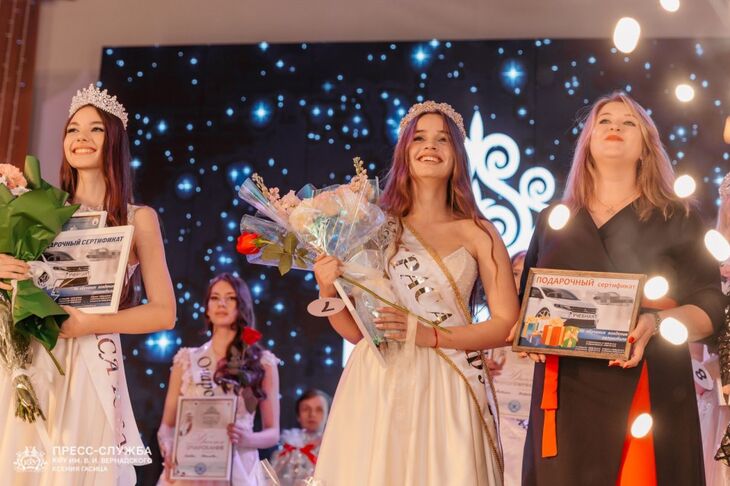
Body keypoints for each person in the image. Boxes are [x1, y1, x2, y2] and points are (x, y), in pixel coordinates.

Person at [518, 92, 726, 485]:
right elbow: (525, 303)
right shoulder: (553, 220)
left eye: (629, 122)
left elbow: (711, 306)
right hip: (566, 393)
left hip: (649, 378)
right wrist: (526, 333)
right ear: (587, 143)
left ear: (646, 146)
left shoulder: (677, 217)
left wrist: (656, 322)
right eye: (604, 120)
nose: (615, 126)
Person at [313, 101, 520, 485]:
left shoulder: (479, 232)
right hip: (381, 380)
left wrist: (432, 335)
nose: (430, 147)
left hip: (449, 378)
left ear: (457, 155)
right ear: (404, 151)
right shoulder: (374, 227)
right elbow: (357, 333)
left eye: (443, 140)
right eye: (420, 138)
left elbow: (508, 323)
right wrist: (327, 287)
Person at [0, 84, 176, 486]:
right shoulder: (36, 208)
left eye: (95, 129)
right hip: (33, 356)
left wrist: (89, 324)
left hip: (93, 359)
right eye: (72, 129)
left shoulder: (138, 218)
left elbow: (164, 313)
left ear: (113, 139)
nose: (81, 138)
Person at [157, 273, 280, 485]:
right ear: (206, 307)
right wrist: (168, 450)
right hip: (191, 468)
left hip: (239, 468)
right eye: (215, 298)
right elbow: (166, 427)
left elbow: (273, 433)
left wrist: (246, 438)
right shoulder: (186, 360)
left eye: (230, 297)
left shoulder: (262, 362)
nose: (221, 303)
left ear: (242, 305)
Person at [489, 250, 534, 486]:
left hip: (532, 424)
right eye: (515, 274)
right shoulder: (489, 330)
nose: (520, 281)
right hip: (500, 424)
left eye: (527, 274)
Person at [270, 388, 331, 485]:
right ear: (298, 415)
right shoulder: (288, 447)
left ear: (328, 415)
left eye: (319, 410)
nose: (312, 414)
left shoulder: (333, 448)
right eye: (306, 409)